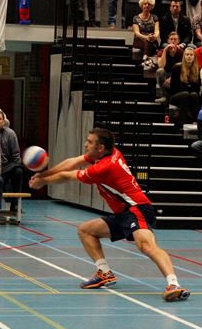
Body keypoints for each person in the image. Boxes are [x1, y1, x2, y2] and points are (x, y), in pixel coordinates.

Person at [29, 127, 191, 302]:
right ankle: (104, 273)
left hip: (137, 209)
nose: (85, 145)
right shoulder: (109, 152)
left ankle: (174, 285)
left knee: (147, 247)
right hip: (124, 213)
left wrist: (42, 182)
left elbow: (68, 175)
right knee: (86, 230)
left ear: (100, 148)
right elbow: (72, 162)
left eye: (89, 142)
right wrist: (42, 174)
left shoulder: (104, 167)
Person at [0, 109, 25, 213]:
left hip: (7, 166)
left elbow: (16, 156)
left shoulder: (10, 134)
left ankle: (15, 204)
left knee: (19, 171)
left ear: (4, 121)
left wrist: (12, 166)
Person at [169, 47, 202, 124]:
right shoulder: (177, 67)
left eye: (191, 55)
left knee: (194, 95)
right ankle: (182, 122)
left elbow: (197, 89)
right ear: (184, 56)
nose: (189, 56)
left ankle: (196, 121)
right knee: (185, 94)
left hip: (190, 95)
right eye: (187, 54)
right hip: (176, 96)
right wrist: (188, 87)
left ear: (194, 57)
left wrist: (187, 87)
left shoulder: (198, 69)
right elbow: (173, 88)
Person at [155, 32, 184, 102]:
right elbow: (161, 66)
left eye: (175, 39)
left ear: (178, 41)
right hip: (166, 75)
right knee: (160, 71)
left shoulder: (181, 52)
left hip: (177, 75)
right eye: (171, 39)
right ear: (168, 41)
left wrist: (172, 77)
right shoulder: (162, 51)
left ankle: (176, 96)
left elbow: (184, 68)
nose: (173, 41)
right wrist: (165, 50)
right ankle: (164, 95)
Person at [132, 0, 160, 64]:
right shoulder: (136, 18)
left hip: (152, 39)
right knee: (148, 42)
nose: (147, 5)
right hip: (139, 40)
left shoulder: (155, 17)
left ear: (151, 6)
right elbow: (137, 33)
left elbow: (157, 31)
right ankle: (146, 58)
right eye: (145, 4)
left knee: (150, 42)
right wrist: (146, 37)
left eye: (149, 4)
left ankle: (145, 58)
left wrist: (154, 37)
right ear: (142, 5)